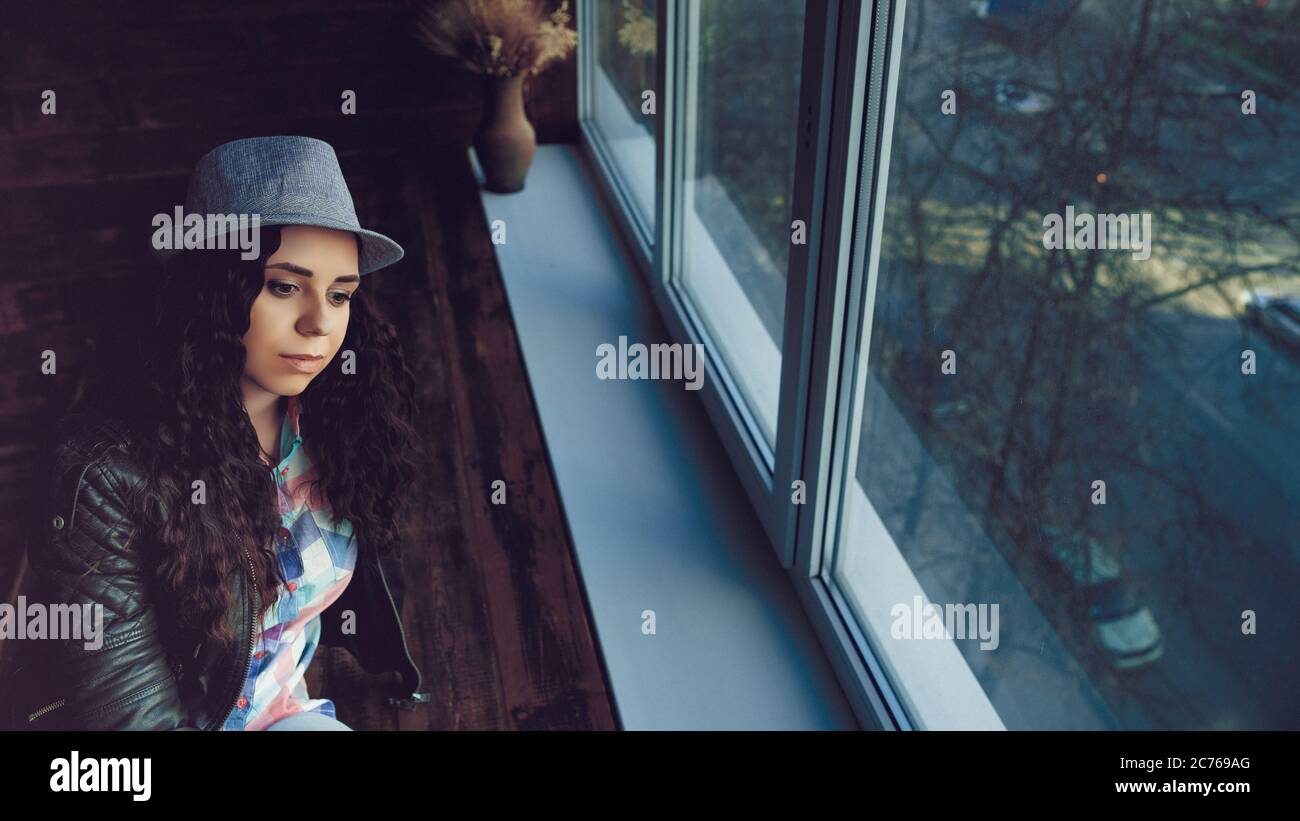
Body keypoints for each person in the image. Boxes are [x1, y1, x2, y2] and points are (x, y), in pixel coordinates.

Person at [6, 136, 431, 730]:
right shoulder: (104, 472)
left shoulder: (343, 420)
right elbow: (131, 718)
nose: (319, 323)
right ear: (211, 290)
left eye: (340, 295)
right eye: (285, 286)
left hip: (282, 710)